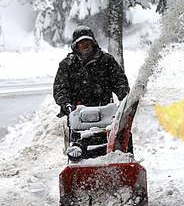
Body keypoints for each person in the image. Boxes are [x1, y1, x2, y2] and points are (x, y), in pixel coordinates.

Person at [53, 25, 133, 154]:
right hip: (78, 114)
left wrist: (124, 97)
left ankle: (123, 157)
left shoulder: (106, 60)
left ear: (93, 43)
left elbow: (119, 81)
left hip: (105, 112)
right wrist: (66, 104)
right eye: (81, 43)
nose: (85, 45)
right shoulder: (67, 65)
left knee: (121, 138)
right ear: (75, 46)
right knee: (78, 149)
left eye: (87, 42)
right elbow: (60, 88)